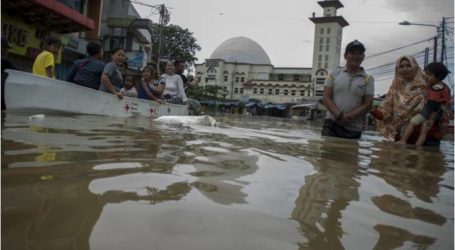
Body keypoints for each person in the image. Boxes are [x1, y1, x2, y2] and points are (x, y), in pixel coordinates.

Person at [371, 55, 447, 146]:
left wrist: (441, 133)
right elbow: (386, 114)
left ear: (415, 66)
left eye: (408, 65)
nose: (405, 69)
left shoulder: (430, 82)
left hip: (429, 138)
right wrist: (372, 110)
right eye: (401, 66)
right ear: (397, 69)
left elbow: (443, 106)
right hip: (401, 139)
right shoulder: (394, 89)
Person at [321, 40, 375, 139]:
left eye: (360, 53)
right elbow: (326, 97)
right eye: (353, 53)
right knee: (327, 153)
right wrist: (340, 116)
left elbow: (368, 104)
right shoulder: (333, 73)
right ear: (345, 56)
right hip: (331, 124)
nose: (356, 56)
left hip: (354, 128)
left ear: (363, 57)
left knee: (350, 154)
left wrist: (348, 117)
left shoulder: (368, 79)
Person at [397, 62, 451, 145]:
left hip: (430, 118)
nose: (425, 76)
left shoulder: (433, 88)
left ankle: (404, 140)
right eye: (425, 73)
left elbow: (433, 105)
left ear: (439, 77)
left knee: (414, 123)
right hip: (432, 118)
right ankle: (417, 147)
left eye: (429, 74)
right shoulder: (440, 87)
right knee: (424, 132)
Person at [1, 36, 16, 110]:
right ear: (2, 48)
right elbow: (18, 73)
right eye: (6, 49)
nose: (7, 51)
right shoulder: (4, 61)